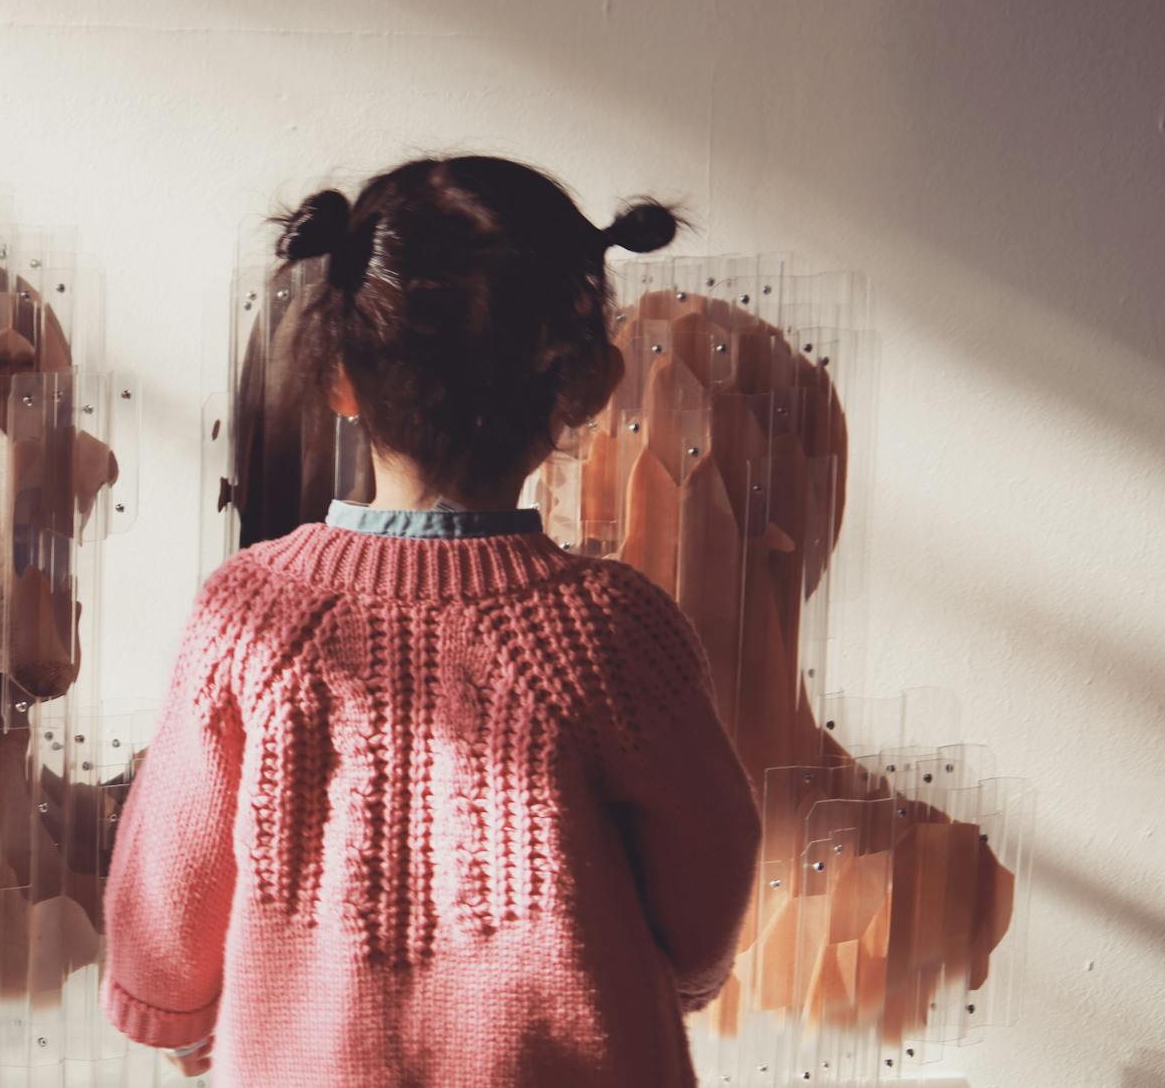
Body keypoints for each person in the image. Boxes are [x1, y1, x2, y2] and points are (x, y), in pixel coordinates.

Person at [99, 155, 763, 1086]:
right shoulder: (612, 629)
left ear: (336, 375)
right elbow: (712, 851)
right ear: (585, 386)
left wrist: (177, 1017)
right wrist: (680, 977)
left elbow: (167, 885)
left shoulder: (250, 611)